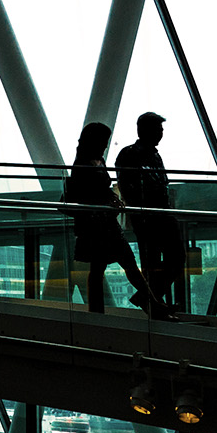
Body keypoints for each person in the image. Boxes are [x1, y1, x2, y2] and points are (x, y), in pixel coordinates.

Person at [64, 122, 174, 320]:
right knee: (123, 265)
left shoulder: (90, 161)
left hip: (101, 224)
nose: (105, 145)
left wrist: (110, 198)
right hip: (99, 224)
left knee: (106, 267)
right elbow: (88, 193)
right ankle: (152, 305)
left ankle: (101, 312)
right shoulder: (86, 164)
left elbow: (97, 190)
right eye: (103, 141)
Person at [116, 112, 186, 313]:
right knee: (155, 262)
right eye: (158, 129)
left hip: (158, 215)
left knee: (170, 259)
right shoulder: (131, 154)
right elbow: (129, 189)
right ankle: (153, 303)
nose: (161, 133)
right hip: (148, 217)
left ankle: (148, 299)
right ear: (144, 130)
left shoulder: (151, 155)